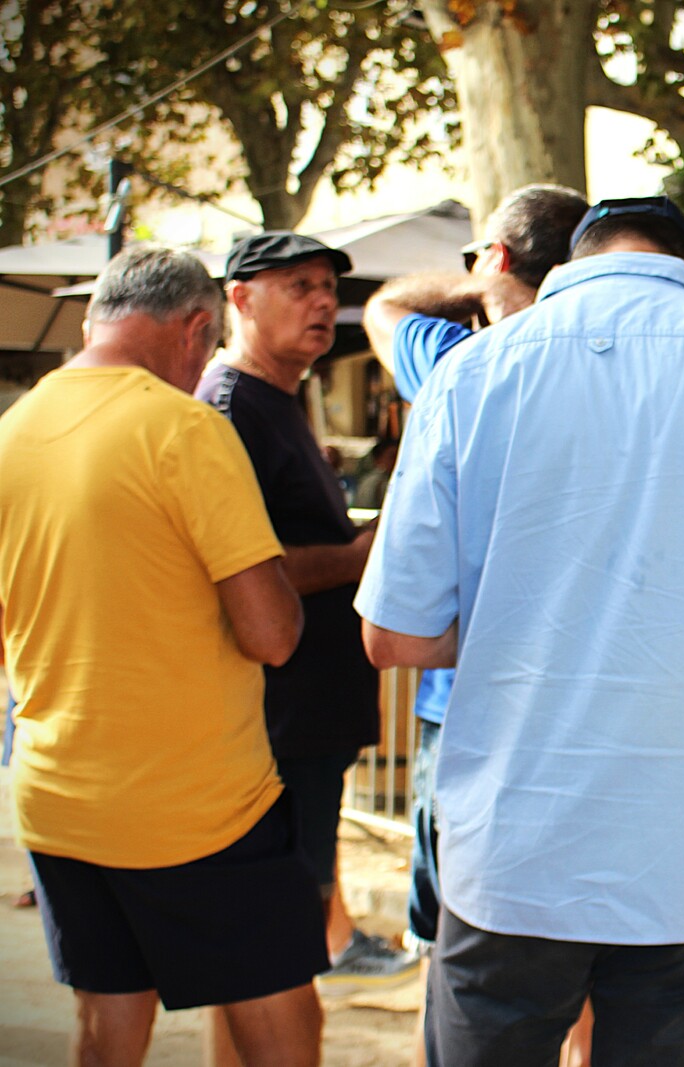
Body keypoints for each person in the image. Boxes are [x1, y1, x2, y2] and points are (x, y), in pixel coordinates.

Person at [355, 196, 684, 1066]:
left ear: (574, 262)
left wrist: (524, 628)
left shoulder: (469, 372)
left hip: (515, 844)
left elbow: (394, 636)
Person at [0, 245, 323, 1065]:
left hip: (58, 794)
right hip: (196, 804)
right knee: (278, 1017)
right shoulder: (184, 428)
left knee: (106, 1017)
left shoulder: (13, 431)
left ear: (93, 322)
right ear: (195, 329)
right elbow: (271, 634)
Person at [363, 181, 592, 1066]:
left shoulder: (457, 365)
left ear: (496, 258)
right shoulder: (633, 366)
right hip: (601, 694)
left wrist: (479, 280)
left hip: (470, 702)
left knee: (468, 949)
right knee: (597, 930)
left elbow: (386, 307)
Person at [197, 232, 419, 995]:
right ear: (240, 298)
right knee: (269, 942)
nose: (323, 302)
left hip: (313, 714)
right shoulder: (230, 405)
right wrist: (360, 555)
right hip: (276, 720)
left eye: (328, 287)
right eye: (300, 286)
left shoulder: (277, 400)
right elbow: (239, 571)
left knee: (294, 915)